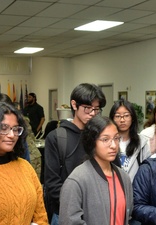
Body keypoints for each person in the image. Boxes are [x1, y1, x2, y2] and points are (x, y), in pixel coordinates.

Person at [44, 83, 106, 224]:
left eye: (96, 109)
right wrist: (76, 207)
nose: (92, 113)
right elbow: (52, 183)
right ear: (74, 104)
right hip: (65, 214)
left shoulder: (101, 136)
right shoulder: (57, 137)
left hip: (97, 213)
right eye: (87, 108)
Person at [59, 115, 133, 225]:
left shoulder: (124, 177)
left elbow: (128, 215)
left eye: (116, 138)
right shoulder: (77, 180)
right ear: (92, 142)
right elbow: (69, 221)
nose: (113, 145)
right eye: (105, 139)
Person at [109, 99, 151, 182]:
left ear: (132, 118)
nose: (122, 120)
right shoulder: (107, 142)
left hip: (135, 191)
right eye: (117, 116)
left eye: (126, 115)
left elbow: (147, 173)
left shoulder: (142, 143)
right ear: (112, 119)